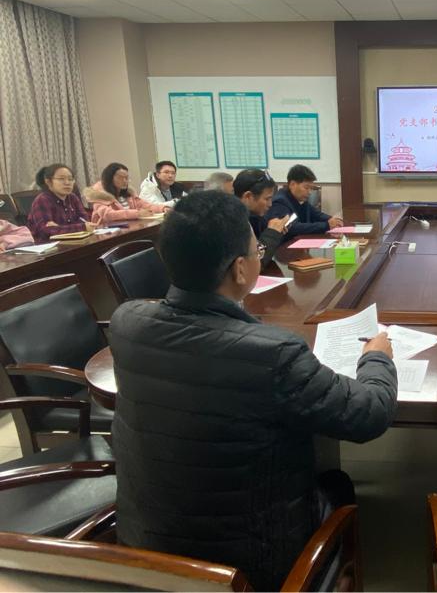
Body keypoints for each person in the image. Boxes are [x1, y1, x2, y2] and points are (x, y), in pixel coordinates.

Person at [109, 190, 397, 591]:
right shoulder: (273, 354)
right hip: (248, 570)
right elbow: (370, 413)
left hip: (146, 555)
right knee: (337, 483)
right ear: (241, 270)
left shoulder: (126, 323)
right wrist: (377, 357)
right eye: (257, 249)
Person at [233, 168, 290, 270]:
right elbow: (252, 265)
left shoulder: (254, 217)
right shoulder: (231, 222)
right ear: (248, 196)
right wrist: (272, 233)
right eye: (267, 199)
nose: (270, 204)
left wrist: (277, 232)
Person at [265, 165, 343, 236]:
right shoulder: (280, 202)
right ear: (292, 184)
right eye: (306, 188)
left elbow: (316, 214)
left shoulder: (300, 199)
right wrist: (326, 225)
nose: (309, 192)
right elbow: (292, 227)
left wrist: (332, 220)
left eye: (311, 188)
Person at [26, 164, 95, 242]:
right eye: (61, 179)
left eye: (70, 179)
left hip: (74, 242)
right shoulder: (42, 200)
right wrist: (81, 227)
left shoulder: (72, 197)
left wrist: (59, 228)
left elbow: (84, 220)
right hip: (49, 246)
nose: (67, 183)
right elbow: (46, 231)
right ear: (48, 182)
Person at [84, 162, 168, 223]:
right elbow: (108, 215)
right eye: (120, 177)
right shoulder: (99, 196)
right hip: (108, 234)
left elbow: (146, 206)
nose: (125, 181)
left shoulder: (129, 194)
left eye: (126, 178)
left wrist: (163, 208)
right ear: (110, 178)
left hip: (129, 229)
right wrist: (137, 213)